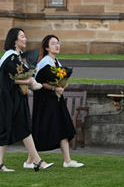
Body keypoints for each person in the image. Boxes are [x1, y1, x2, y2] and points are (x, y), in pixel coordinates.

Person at [0, 27, 52, 172]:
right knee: (5, 128)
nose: (25, 39)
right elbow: (10, 80)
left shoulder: (19, 57)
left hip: (18, 96)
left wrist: (30, 80)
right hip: (7, 98)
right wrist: (31, 82)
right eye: (22, 36)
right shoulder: (10, 57)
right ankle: (0, 163)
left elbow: (18, 79)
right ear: (15, 40)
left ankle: (36, 161)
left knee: (24, 127)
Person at [31, 35, 84, 168]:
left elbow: (61, 80)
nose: (57, 45)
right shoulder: (44, 62)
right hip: (45, 101)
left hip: (56, 100)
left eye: (58, 43)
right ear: (47, 47)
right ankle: (30, 161)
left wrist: (63, 84)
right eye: (53, 43)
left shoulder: (56, 62)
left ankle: (67, 160)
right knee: (42, 129)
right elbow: (40, 82)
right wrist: (55, 87)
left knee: (63, 126)